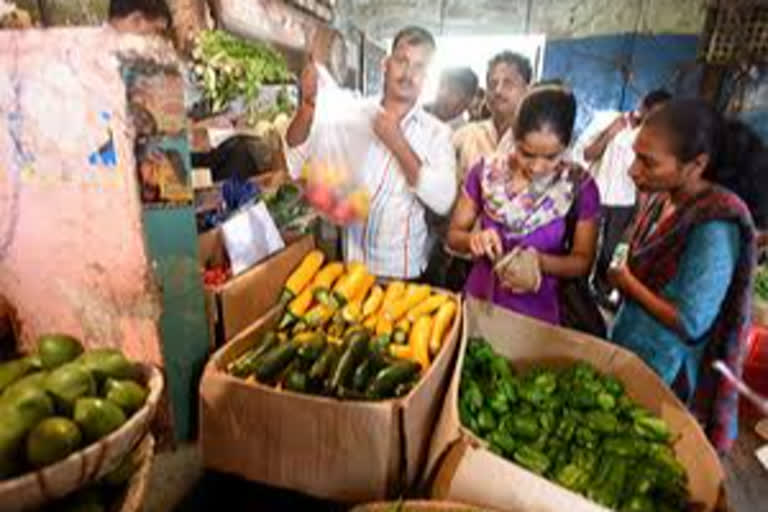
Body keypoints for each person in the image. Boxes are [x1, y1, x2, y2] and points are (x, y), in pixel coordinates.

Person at [609, 99, 768, 454]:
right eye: (636, 155)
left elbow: (691, 322)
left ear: (697, 164)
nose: (634, 170)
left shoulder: (713, 226)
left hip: (667, 377)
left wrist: (628, 283)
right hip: (634, 351)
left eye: (648, 161)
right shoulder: (663, 198)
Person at [284, 26, 456, 279]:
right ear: (386, 64)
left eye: (419, 67)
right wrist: (309, 107)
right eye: (402, 61)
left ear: (426, 77)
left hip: (402, 275)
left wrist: (397, 143)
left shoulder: (436, 133)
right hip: (350, 265)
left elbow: (443, 201)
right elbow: (296, 154)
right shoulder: (354, 113)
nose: (408, 73)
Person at [446, 85, 601, 325]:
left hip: (539, 316)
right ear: (514, 137)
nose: (537, 167)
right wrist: (472, 240)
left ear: (567, 145)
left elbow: (582, 261)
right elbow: (454, 236)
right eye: (526, 153)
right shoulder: (485, 173)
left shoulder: (578, 186)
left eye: (551, 157)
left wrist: (538, 262)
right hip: (480, 304)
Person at [582, 89, 671, 307]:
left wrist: (639, 214)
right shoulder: (609, 120)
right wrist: (610, 133)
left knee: (610, 252)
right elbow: (588, 154)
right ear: (643, 107)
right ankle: (579, 292)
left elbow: (644, 179)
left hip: (624, 203)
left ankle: (600, 294)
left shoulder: (649, 139)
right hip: (595, 196)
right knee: (586, 248)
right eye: (654, 113)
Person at [453, 51, 533, 183]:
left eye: (508, 83)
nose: (498, 90)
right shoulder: (465, 135)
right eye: (492, 84)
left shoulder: (536, 141)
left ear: (527, 90)